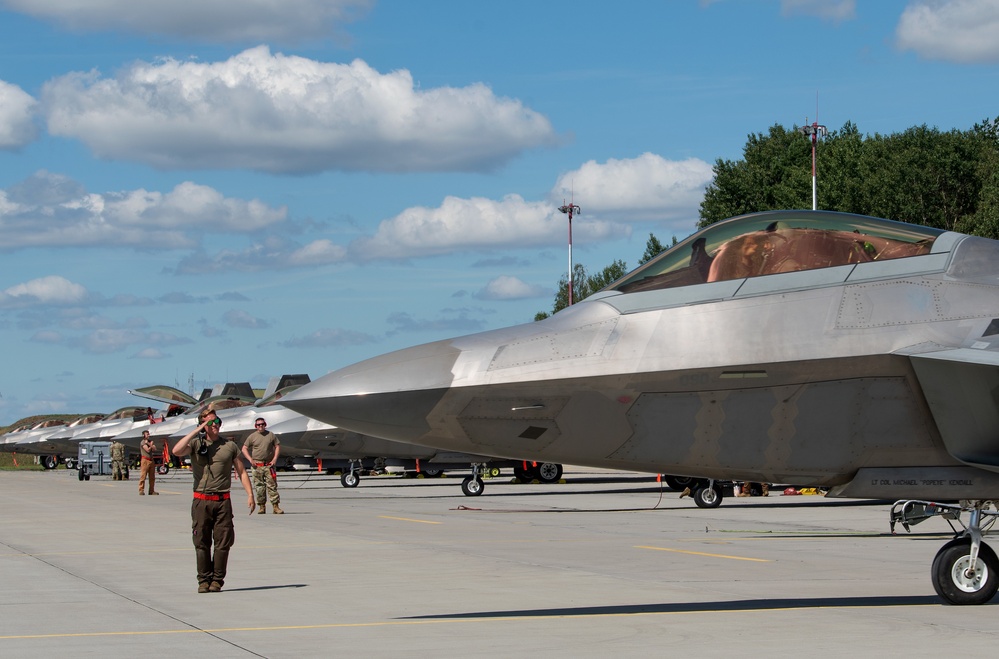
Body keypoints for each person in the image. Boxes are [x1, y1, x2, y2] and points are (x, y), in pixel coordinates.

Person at [173, 407, 254, 593]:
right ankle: (203, 581)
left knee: (223, 543)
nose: (215, 425)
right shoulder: (195, 444)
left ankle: (217, 580)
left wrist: (250, 494)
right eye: (211, 423)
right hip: (201, 500)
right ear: (203, 426)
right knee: (201, 543)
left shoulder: (229, 446)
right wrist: (197, 430)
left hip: (222, 500)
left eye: (217, 422)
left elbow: (241, 471)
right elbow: (177, 450)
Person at [241, 418, 283, 514]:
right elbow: (244, 448)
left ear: (265, 424)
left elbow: (277, 446)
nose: (261, 426)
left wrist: (275, 459)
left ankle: (275, 506)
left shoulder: (270, 435)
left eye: (262, 424)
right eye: (258, 425)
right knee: (259, 487)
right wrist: (250, 459)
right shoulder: (252, 436)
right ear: (256, 426)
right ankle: (262, 506)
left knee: (272, 486)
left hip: (269, 465)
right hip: (257, 466)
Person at [138, 431, 158, 495]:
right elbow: (148, 450)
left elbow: (155, 449)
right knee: (143, 475)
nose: (148, 435)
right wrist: (150, 445)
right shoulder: (143, 442)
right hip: (145, 460)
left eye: (148, 434)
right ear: (143, 435)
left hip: (151, 460)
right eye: (147, 434)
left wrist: (150, 444)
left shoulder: (150, 441)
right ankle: (141, 490)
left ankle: (151, 490)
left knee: (152, 477)